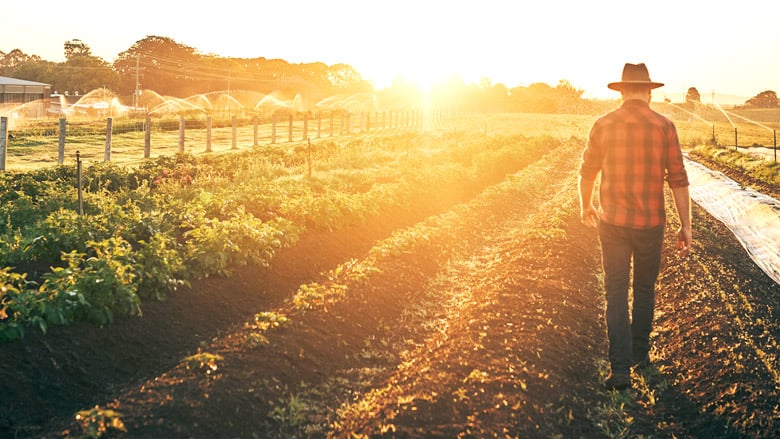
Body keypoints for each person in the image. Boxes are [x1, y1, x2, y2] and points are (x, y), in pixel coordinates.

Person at [578, 62, 692, 391]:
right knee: (644, 289)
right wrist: (686, 226)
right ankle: (641, 357)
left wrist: (585, 205)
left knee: (615, 291)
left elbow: (587, 172)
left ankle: (620, 369)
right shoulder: (664, 126)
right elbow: (679, 180)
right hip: (651, 223)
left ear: (623, 91)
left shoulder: (603, 124)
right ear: (648, 92)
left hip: (612, 222)